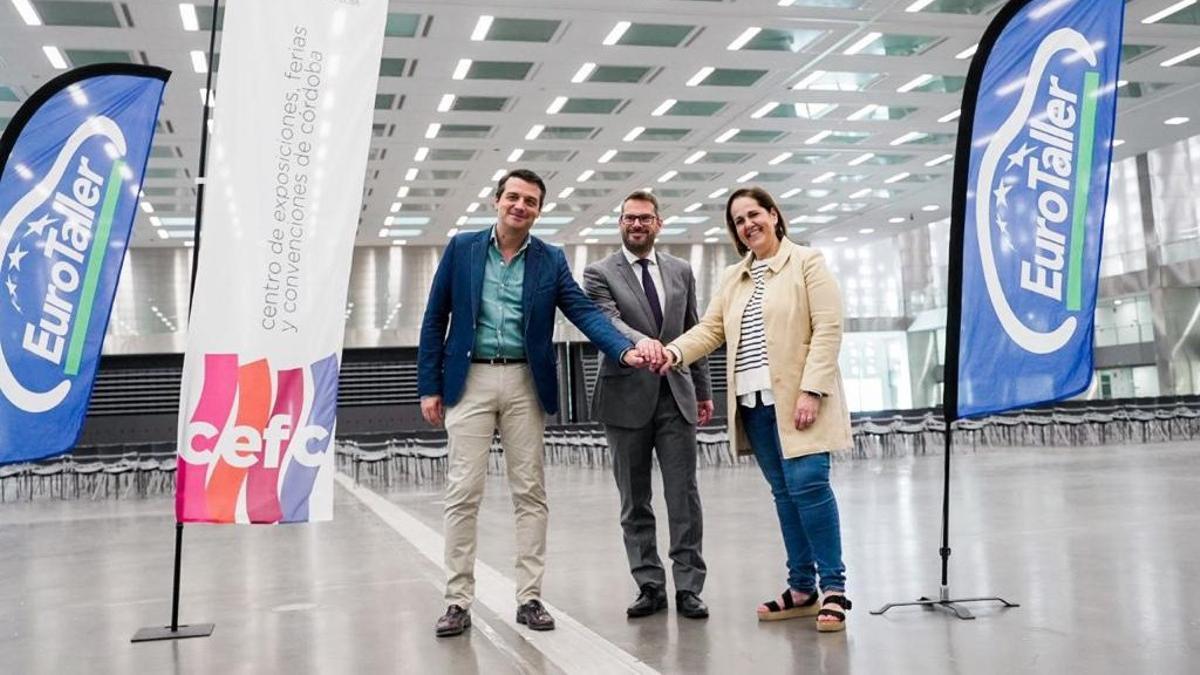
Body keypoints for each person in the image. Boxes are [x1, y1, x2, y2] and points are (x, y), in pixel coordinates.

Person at [418, 168, 647, 638]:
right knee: (464, 492)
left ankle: (529, 597)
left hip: (525, 380)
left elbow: (583, 312)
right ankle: (457, 600)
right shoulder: (462, 249)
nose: (521, 207)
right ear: (496, 200)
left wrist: (623, 348)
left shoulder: (549, 259)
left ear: (539, 210)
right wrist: (429, 385)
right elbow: (434, 317)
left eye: (531, 202)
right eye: (514, 198)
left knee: (530, 492)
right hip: (471, 379)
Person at [658, 186, 854, 632]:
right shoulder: (733, 278)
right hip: (754, 403)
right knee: (784, 494)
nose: (748, 225)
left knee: (809, 487)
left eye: (754, 214)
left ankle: (835, 588)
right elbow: (709, 330)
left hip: (800, 399)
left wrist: (812, 391)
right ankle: (801, 588)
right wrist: (672, 354)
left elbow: (828, 328)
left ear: (774, 214)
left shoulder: (807, 262)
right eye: (739, 221)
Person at [582, 190, 714, 620]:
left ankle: (689, 587)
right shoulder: (599, 272)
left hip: (676, 396)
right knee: (634, 499)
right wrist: (644, 342)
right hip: (623, 396)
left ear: (658, 223)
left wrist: (705, 390)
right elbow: (606, 320)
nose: (636, 225)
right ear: (620, 223)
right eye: (629, 219)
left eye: (644, 218)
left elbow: (694, 329)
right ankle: (649, 584)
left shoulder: (681, 271)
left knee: (684, 495)